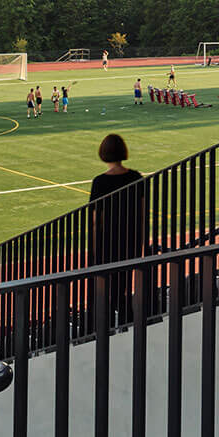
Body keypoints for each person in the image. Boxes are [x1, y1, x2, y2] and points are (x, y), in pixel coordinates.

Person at [89, 133, 147, 323]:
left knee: (105, 285)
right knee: (124, 280)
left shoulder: (100, 182)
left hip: (108, 239)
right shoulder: (136, 177)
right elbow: (142, 212)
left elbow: (96, 218)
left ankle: (104, 323)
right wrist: (141, 239)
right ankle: (125, 319)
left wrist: (95, 244)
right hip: (130, 236)